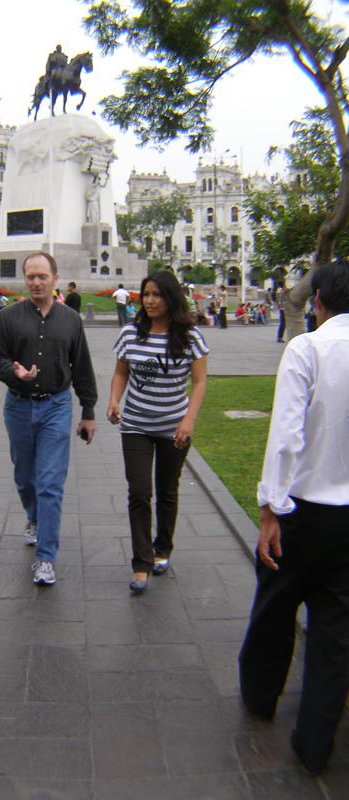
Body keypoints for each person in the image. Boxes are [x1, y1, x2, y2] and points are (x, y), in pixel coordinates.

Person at [238, 260, 349, 775]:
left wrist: (269, 508)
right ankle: (315, 741)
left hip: (303, 511)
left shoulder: (308, 348)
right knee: (335, 634)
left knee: (275, 610)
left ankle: (261, 698)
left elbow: (285, 436)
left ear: (319, 300)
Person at [0, 251, 97, 586]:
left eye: (42, 276)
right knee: (25, 477)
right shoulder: (8, 317)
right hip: (19, 407)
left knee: (50, 483)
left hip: (56, 405)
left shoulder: (70, 319)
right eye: (31, 276)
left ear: (55, 278)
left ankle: (45, 558)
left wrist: (88, 411)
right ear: (25, 280)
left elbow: (81, 366)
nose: (36, 282)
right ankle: (34, 518)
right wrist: (13, 371)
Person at [107, 271, 208, 594]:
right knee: (139, 492)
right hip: (136, 425)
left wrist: (188, 419)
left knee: (167, 490)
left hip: (174, 427)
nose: (150, 301)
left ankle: (162, 548)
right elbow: (121, 372)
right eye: (146, 294)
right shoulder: (130, 333)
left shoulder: (189, 337)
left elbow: (201, 381)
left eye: (157, 295)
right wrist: (113, 399)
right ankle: (141, 562)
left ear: (171, 299)